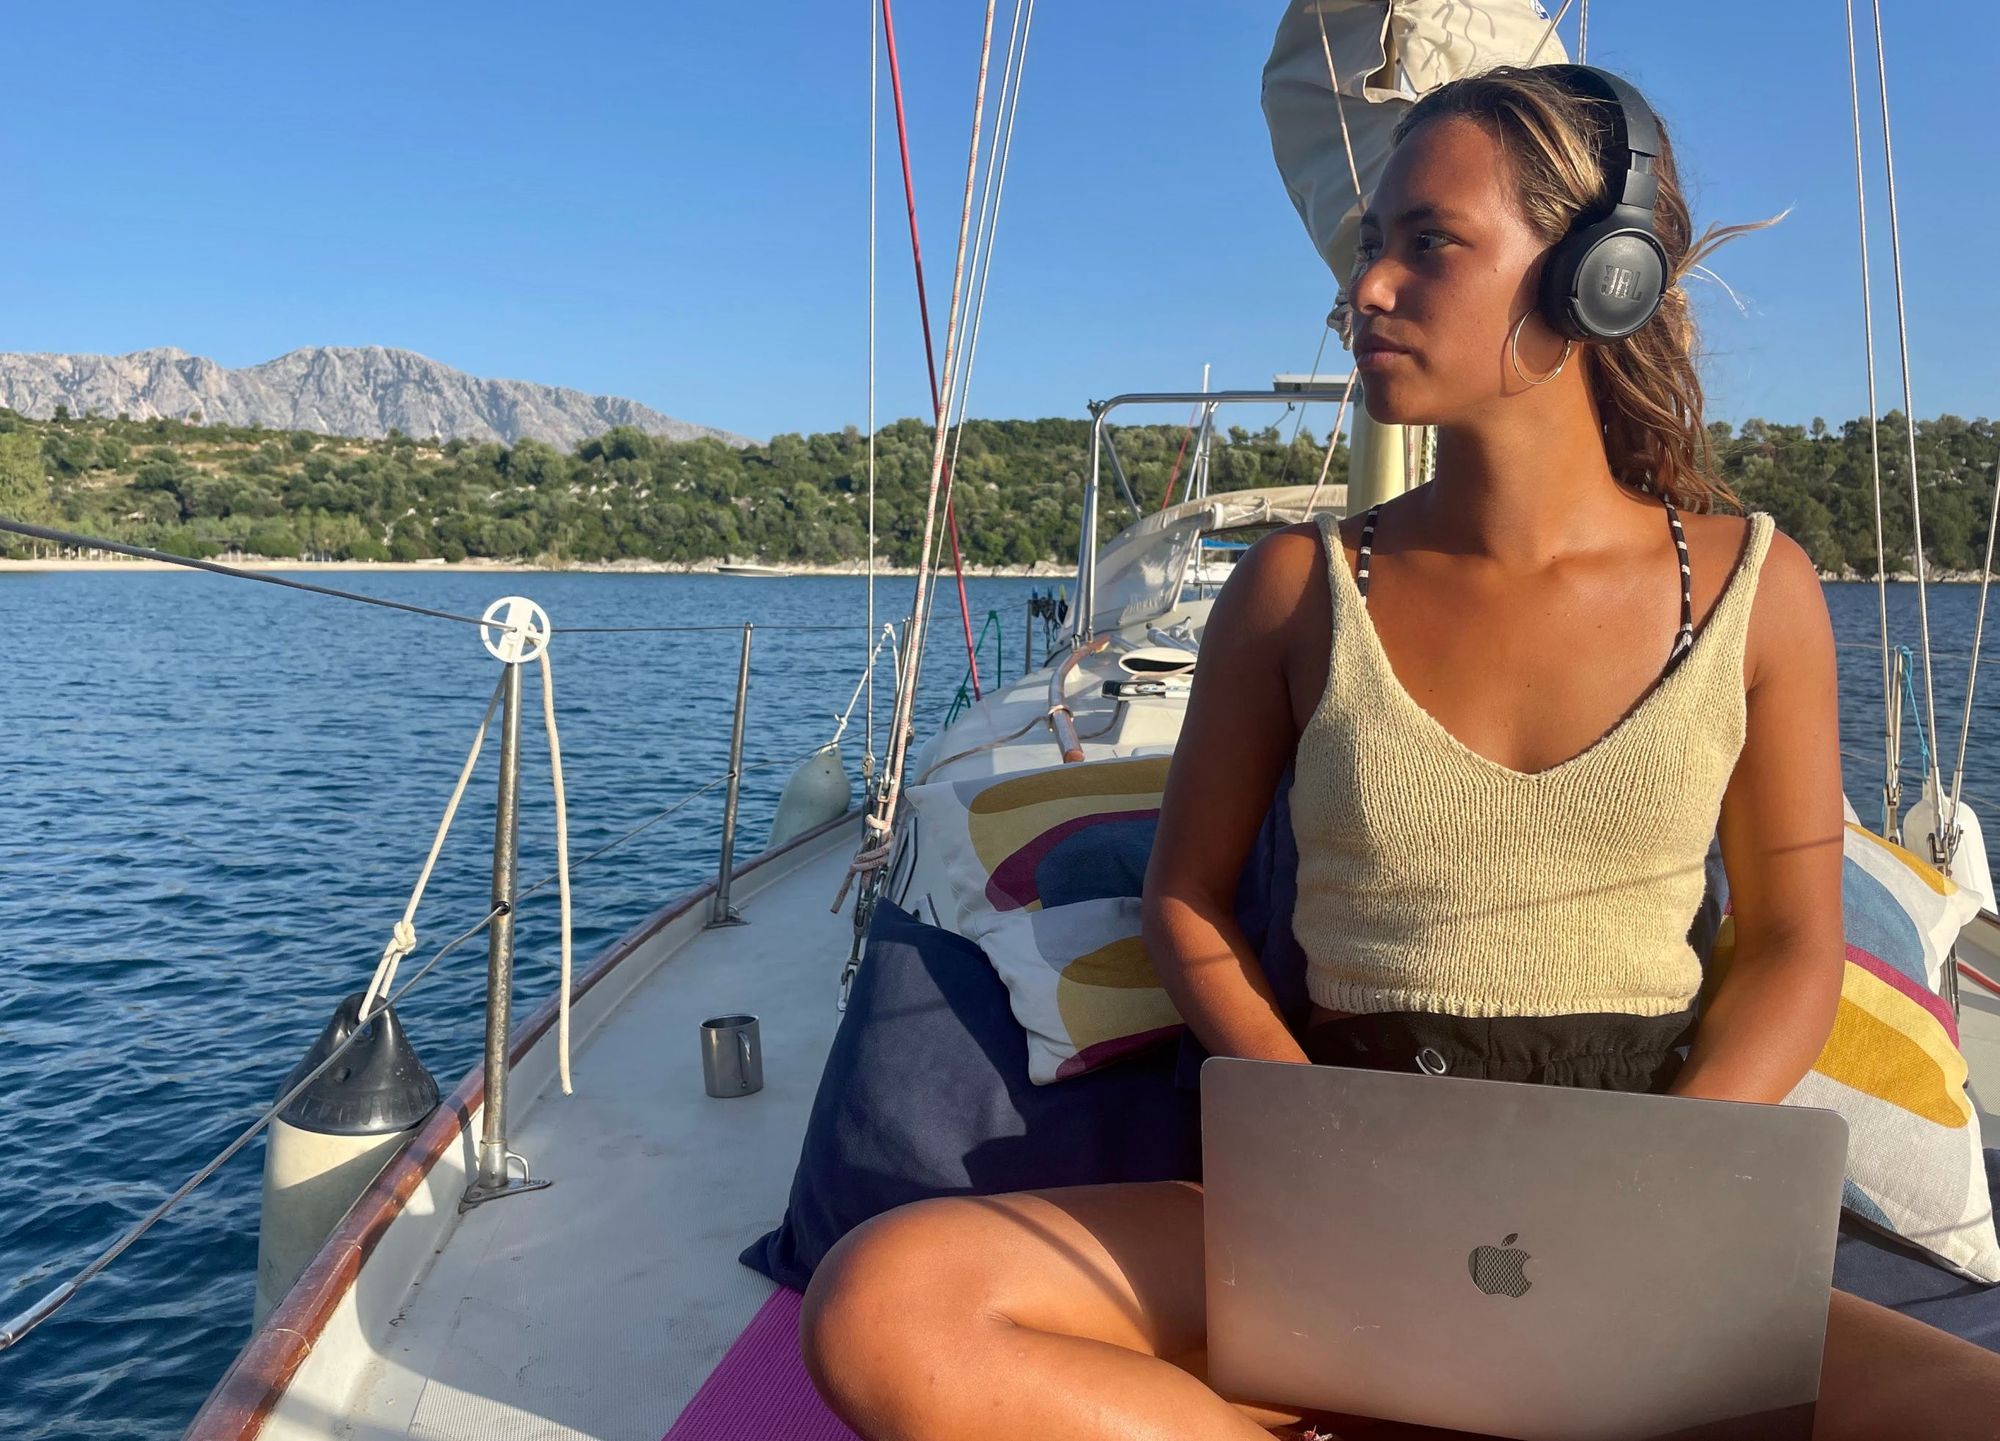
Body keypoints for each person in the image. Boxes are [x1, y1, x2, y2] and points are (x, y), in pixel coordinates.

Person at [798, 65, 2000, 1439]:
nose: (1363, 287)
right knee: (887, 1303)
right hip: (1347, 1171)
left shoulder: (1751, 590)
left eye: (1426, 243)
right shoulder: (1299, 592)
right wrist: (1325, 1146)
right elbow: (1186, 902)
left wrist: (1662, 1188)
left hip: (1645, 1186)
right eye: (1373, 242)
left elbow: (1793, 944)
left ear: (1599, 277)